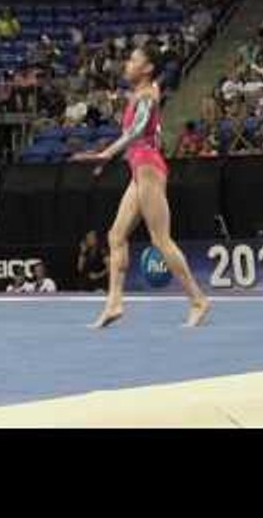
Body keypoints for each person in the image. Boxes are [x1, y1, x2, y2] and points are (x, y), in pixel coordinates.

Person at [71, 43, 210, 328]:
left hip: (148, 167)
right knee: (115, 236)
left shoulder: (148, 94)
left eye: (133, 60)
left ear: (147, 68)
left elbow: (137, 130)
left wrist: (106, 154)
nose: (127, 64)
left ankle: (198, 300)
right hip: (139, 166)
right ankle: (114, 303)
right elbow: (146, 131)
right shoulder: (142, 93)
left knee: (161, 239)